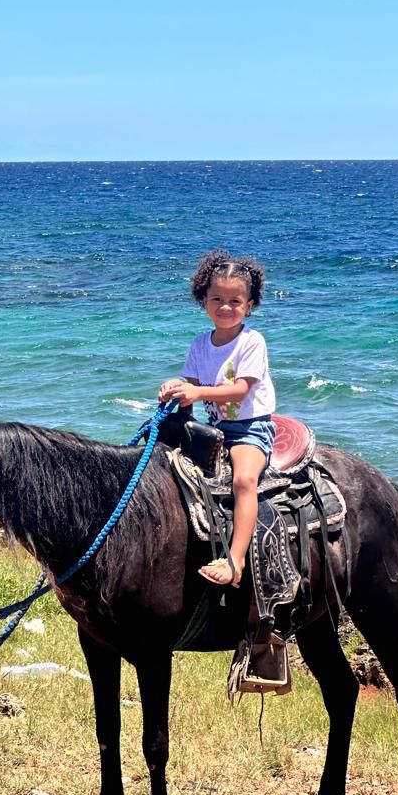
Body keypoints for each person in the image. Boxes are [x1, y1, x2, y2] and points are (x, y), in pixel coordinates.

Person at [159, 249, 276, 587]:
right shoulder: (200, 344)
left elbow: (240, 390)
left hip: (250, 429)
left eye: (235, 301)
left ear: (250, 304)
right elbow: (191, 388)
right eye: (217, 299)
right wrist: (175, 389)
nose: (226, 307)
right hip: (215, 429)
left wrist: (196, 393)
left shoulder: (251, 342)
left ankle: (235, 559)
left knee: (243, 481)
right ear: (204, 301)